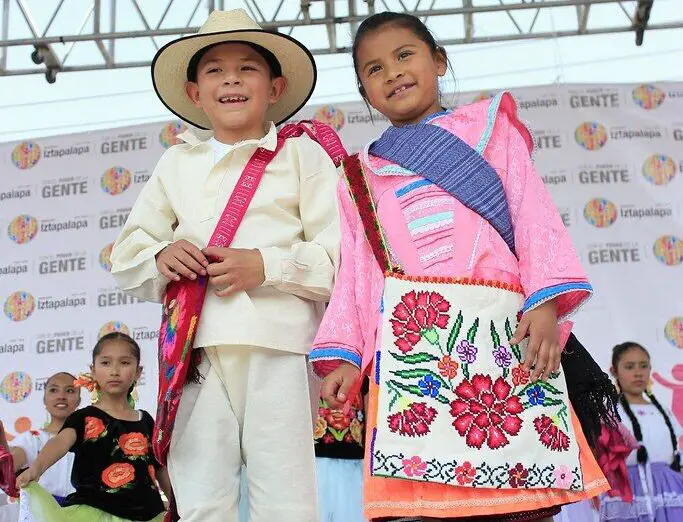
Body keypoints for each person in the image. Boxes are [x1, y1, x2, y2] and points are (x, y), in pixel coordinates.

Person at [311, 11, 609, 522]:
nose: (393, 73)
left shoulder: (494, 130)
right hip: (415, 347)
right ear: (365, 93)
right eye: (375, 69)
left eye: (405, 55)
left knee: (521, 498)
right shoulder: (360, 175)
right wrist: (346, 354)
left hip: (504, 331)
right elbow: (358, 274)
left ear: (439, 61)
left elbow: (532, 214)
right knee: (429, 504)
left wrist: (544, 302)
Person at [110, 8, 342, 522]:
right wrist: (161, 254)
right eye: (214, 69)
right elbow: (128, 255)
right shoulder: (177, 163)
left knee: (287, 501)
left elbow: (338, 259)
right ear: (194, 93)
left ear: (275, 86)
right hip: (196, 352)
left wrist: (267, 266)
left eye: (247, 68)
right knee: (200, 498)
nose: (231, 78)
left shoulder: (304, 157)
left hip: (279, 346)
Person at [15, 333, 171, 522]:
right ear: (93, 371)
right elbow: (60, 442)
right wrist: (37, 468)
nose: (114, 371)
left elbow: (160, 467)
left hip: (148, 513)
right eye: (106, 363)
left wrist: (177, 502)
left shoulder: (146, 420)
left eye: (124, 363)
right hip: (95, 512)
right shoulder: (83, 417)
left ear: (138, 372)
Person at [600, 342, 683, 521]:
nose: (638, 373)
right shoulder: (611, 413)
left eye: (643, 366)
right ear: (614, 371)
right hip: (629, 490)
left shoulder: (663, 412)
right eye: (629, 367)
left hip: (669, 489)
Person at [0, 372, 80, 522]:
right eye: (54, 390)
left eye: (69, 390)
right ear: (44, 399)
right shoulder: (33, 438)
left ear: (79, 400)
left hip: (82, 514)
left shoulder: (90, 441)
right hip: (40, 515)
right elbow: (10, 463)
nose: (61, 396)